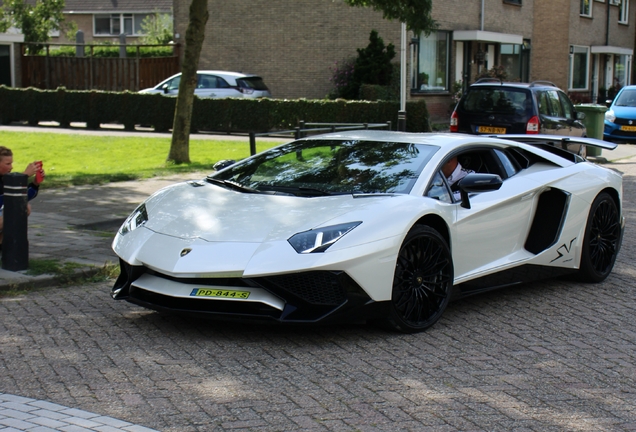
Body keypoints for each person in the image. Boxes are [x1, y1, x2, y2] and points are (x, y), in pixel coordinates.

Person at [0, 146, 45, 248]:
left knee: (24, 208)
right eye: (7, 164)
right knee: (15, 212)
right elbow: (5, 199)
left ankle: (2, 243)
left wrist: (35, 184)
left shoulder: (4, 178)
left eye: (11, 163)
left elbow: (17, 198)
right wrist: (23, 176)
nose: (11, 167)